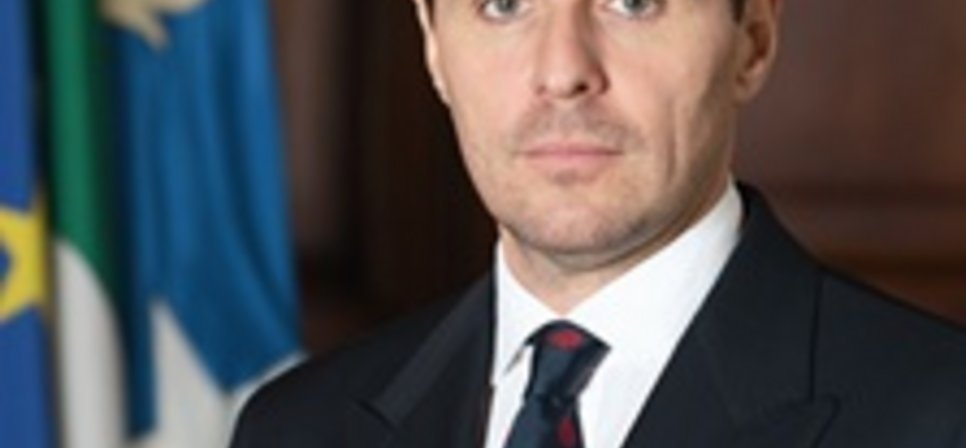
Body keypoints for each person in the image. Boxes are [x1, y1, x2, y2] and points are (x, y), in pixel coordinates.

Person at [230, 0, 966, 446]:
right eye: (504, 5)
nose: (562, 72)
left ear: (754, 37)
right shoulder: (296, 429)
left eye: (632, 3)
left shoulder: (942, 416)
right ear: (433, 46)